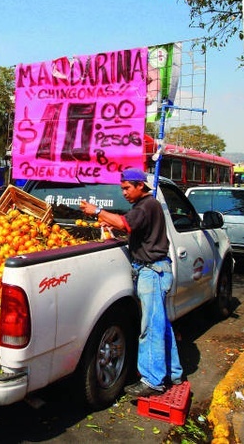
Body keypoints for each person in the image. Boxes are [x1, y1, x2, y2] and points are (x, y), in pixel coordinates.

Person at [80, 168, 182, 397]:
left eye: (127, 188)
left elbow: (125, 223)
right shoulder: (145, 206)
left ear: (139, 185)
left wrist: (96, 211)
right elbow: (135, 232)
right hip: (153, 271)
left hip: (152, 273)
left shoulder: (147, 205)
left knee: (150, 329)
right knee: (161, 325)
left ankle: (153, 381)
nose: (124, 192)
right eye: (122, 188)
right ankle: (173, 372)